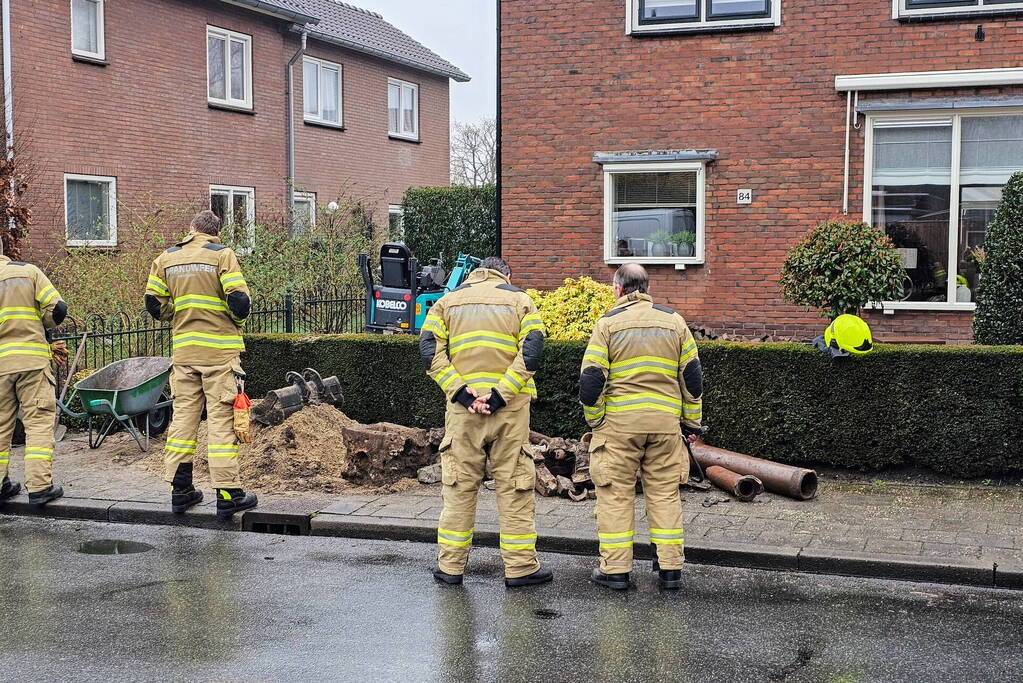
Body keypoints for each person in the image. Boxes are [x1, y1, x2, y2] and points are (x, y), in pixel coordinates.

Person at [420, 256, 552, 588]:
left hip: (463, 413)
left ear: (475, 274)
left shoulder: (447, 303)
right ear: (506, 274)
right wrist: (500, 394)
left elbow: (428, 350)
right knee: (515, 486)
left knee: (458, 487)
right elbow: (533, 351)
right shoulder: (520, 300)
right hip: (509, 412)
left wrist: (462, 393)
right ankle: (521, 569)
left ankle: (450, 568)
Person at [579, 263, 703, 590]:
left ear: (619, 289)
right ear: (646, 288)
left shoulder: (607, 325)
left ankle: (616, 571)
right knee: (664, 495)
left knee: (615, 495)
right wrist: (691, 423)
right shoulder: (674, 322)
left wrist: (597, 421)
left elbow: (591, 382)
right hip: (664, 426)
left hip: (619, 427)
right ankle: (670, 569)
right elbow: (692, 379)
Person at [145, 210, 256, 518]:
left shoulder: (166, 258)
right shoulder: (223, 255)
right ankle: (227, 494)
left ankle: (180, 492)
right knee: (221, 423)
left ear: (191, 229)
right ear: (216, 233)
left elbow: (154, 303)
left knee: (182, 420)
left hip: (184, 354)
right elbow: (240, 302)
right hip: (220, 355)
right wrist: (234, 321)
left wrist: (175, 315)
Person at [0, 255, 68, 505]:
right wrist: (43, 324)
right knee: (38, 423)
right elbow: (58, 308)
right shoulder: (27, 271)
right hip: (31, 362)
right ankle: (40, 487)